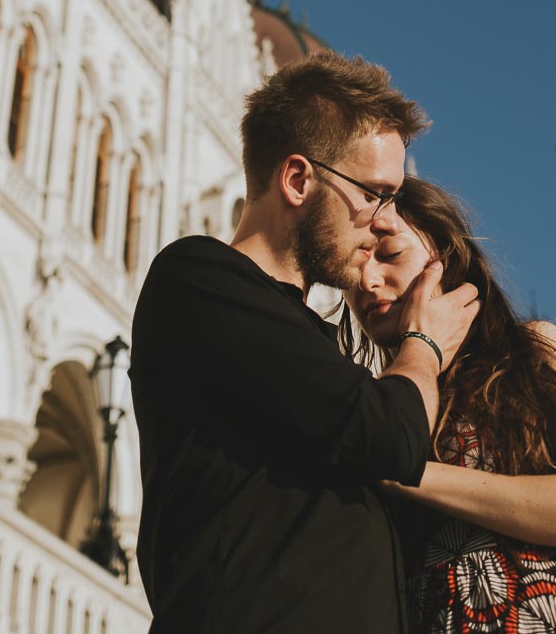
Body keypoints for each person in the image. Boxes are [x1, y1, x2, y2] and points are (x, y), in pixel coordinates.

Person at [129, 52, 481, 633]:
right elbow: (389, 437)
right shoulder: (199, 278)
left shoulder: (306, 337)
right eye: (375, 193)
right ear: (298, 180)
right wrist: (423, 342)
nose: (385, 220)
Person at [342, 177, 556, 634]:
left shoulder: (531, 351)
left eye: (390, 254)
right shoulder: (373, 400)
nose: (368, 280)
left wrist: (404, 470)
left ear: (443, 259)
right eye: (354, 264)